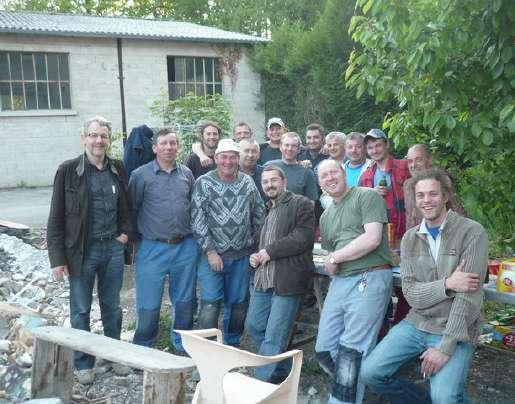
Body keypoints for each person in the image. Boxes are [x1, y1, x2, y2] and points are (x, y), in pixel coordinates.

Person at [360, 168, 488, 404]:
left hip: (456, 328)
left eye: (433, 194)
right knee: (370, 373)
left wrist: (445, 348)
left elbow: (468, 299)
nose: (426, 200)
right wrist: (448, 284)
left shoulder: (471, 232)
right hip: (417, 323)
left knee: (444, 397)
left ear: (445, 196)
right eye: (421, 195)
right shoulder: (410, 238)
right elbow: (411, 295)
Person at [47, 116, 132, 384]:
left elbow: (127, 206)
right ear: (84, 138)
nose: (98, 141)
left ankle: (113, 355)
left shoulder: (118, 168)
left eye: (103, 136)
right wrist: (57, 259)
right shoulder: (68, 170)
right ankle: (83, 363)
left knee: (112, 307)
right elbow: (56, 216)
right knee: (81, 309)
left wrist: (125, 234)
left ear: (109, 139)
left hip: (112, 250)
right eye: (93, 135)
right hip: (82, 252)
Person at [315, 159, 393, 404]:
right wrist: (332, 260)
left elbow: (372, 239)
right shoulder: (326, 216)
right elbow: (331, 255)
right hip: (341, 280)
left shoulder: (367, 196)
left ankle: (342, 399)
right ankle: (355, 386)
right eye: (324, 175)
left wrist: (335, 257)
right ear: (319, 183)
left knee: (352, 350)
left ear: (344, 174)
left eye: (333, 172)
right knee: (324, 349)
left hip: (371, 275)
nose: (330, 178)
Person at [128, 127, 198, 353]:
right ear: (154, 148)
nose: (169, 147)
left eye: (173, 143)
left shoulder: (187, 174)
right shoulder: (140, 175)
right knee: (148, 303)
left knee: (184, 301)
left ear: (178, 147)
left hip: (185, 246)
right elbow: (132, 209)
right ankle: (143, 347)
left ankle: (181, 344)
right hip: (152, 247)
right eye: (164, 143)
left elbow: (193, 206)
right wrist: (136, 242)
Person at [191, 139, 265, 346]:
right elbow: (197, 219)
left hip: (241, 256)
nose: (228, 161)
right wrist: (210, 251)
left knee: (239, 304)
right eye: (224, 157)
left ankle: (232, 344)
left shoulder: (247, 182)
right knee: (210, 304)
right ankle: (205, 346)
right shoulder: (204, 183)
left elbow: (259, 210)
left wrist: (256, 239)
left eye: (233, 157)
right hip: (213, 257)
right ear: (216, 159)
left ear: (238, 159)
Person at [246, 165, 315, 383]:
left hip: (287, 280)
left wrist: (269, 251)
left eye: (273, 180)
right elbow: (264, 243)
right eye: (265, 182)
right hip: (263, 279)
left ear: (284, 182)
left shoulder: (301, 203)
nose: (269, 185)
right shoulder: (268, 209)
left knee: (274, 336)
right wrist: (256, 255)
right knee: (254, 326)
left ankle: (261, 385)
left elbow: (302, 238)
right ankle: (284, 371)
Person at [359, 128, 410, 243]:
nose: (374, 151)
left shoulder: (404, 167)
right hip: (379, 235)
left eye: (378, 145)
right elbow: (360, 206)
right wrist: (372, 193)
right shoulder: (365, 176)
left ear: (386, 144)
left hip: (406, 232)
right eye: (370, 148)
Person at [404, 144, 466, 230]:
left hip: (445, 233)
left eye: (418, 160)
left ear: (430, 160)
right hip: (419, 235)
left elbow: (457, 210)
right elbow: (410, 217)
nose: (413, 165)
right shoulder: (407, 185)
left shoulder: (442, 179)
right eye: (410, 161)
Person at [264, 132, 318, 201]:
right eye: (286, 145)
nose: (290, 149)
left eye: (294, 146)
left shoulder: (307, 172)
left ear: (299, 149)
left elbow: (311, 202)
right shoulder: (268, 166)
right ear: (280, 147)